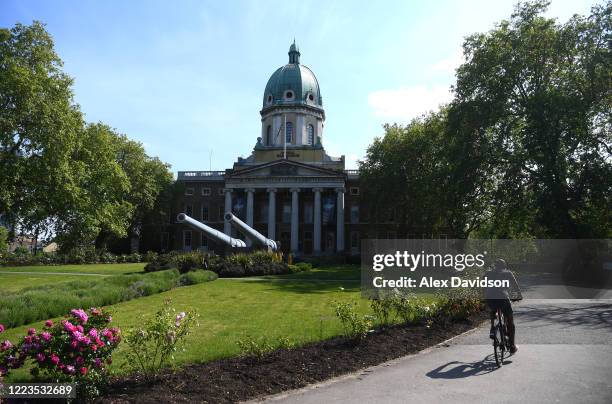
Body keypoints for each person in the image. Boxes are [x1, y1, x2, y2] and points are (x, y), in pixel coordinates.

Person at [485, 258, 522, 354]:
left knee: (493, 309)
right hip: (503, 298)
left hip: (490, 298)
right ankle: (512, 346)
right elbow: (515, 286)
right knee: (510, 320)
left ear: (494, 266)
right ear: (504, 266)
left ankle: (493, 329)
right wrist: (518, 296)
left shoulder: (488, 273)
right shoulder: (508, 273)